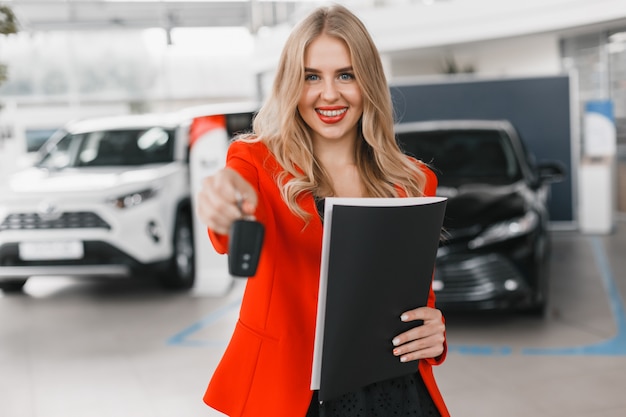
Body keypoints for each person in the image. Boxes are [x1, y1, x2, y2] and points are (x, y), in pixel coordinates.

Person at [195, 4, 450, 417]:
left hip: (395, 391)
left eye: (345, 75)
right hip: (296, 397)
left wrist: (434, 331)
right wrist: (223, 201)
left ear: (367, 81)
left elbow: (416, 298)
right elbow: (231, 225)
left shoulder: (413, 181)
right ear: (291, 84)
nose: (328, 93)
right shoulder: (255, 162)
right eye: (312, 76)